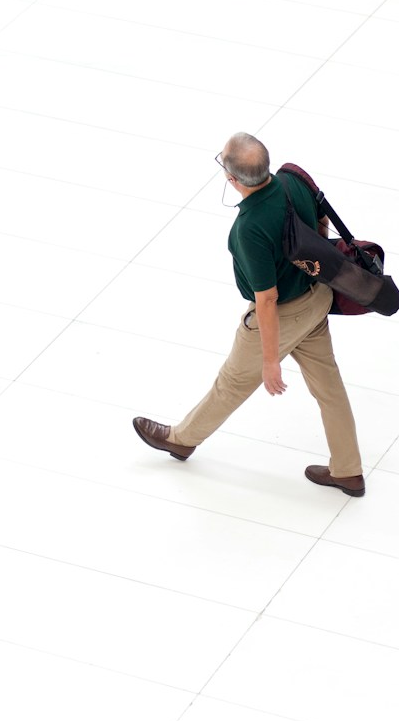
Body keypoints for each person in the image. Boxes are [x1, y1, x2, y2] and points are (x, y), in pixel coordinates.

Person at [132, 133, 366, 496]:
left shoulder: (249, 228)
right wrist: (312, 267)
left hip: (283, 314)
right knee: (329, 388)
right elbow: (321, 222)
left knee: (232, 383)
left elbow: (267, 300)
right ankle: (348, 471)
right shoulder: (292, 180)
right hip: (316, 299)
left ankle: (181, 440)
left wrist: (270, 361)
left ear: (232, 179)